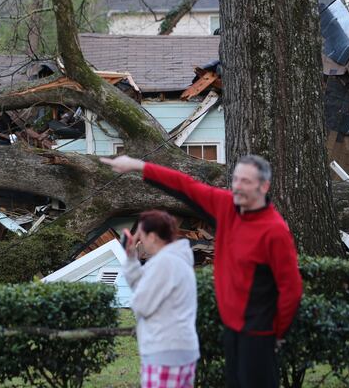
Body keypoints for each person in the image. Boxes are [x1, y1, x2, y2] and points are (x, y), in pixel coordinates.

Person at [101, 155, 303, 388]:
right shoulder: (226, 205)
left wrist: (276, 333)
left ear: (264, 186)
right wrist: (139, 166)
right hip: (231, 330)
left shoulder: (274, 231)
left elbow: (291, 289)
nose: (237, 186)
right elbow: (185, 185)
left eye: (246, 181)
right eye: (235, 179)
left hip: (259, 335)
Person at [123, 210, 199, 388]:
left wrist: (136, 299)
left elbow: (141, 304)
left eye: (140, 235)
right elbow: (141, 285)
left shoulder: (164, 263)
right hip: (181, 349)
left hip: (165, 351)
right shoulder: (176, 259)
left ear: (152, 236)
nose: (138, 240)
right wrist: (131, 258)